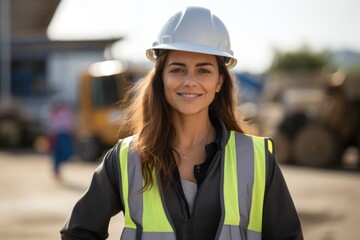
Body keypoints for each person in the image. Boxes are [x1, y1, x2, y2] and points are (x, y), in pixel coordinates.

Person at [61, 6, 303, 240]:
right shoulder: (126, 159)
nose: (189, 81)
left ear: (219, 81)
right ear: (161, 78)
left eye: (203, 71)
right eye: (177, 70)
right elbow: (78, 232)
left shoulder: (257, 160)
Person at [47, 95, 75, 178]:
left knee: (67, 151)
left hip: (64, 134)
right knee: (57, 153)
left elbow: (70, 123)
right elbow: (51, 125)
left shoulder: (66, 112)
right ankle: (56, 169)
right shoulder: (53, 113)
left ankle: (57, 167)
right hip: (57, 135)